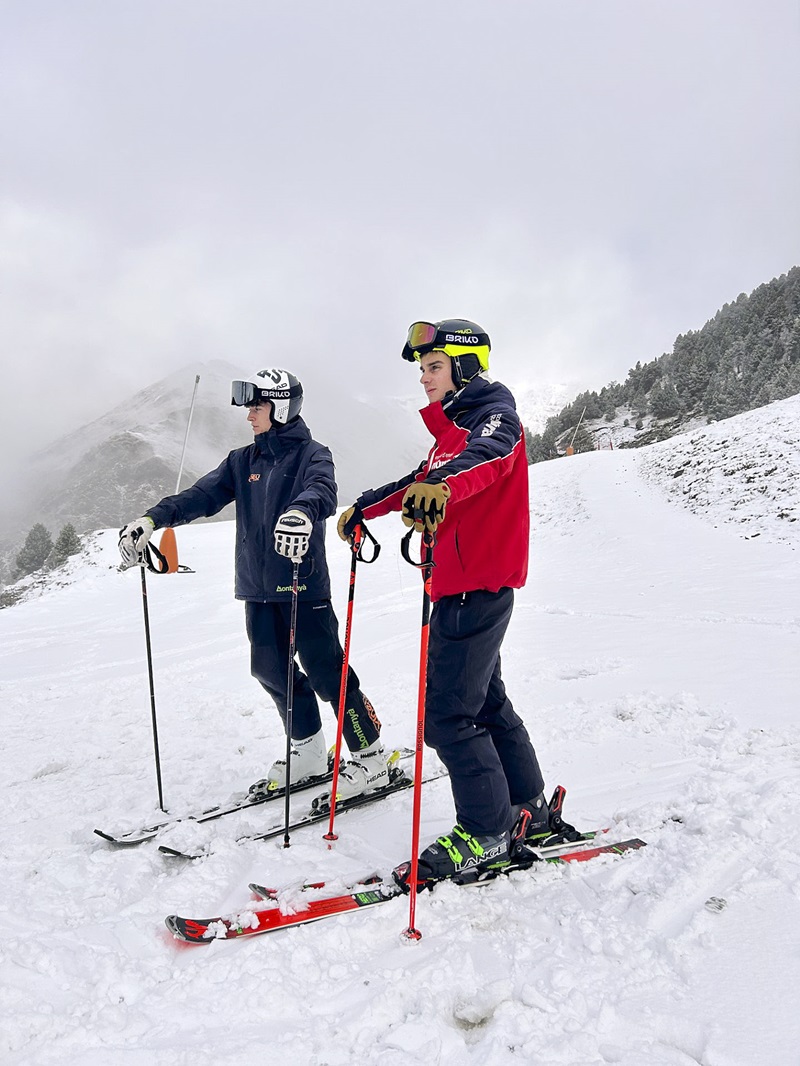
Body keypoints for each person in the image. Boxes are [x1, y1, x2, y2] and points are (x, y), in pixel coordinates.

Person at [338, 320, 567, 883]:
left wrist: (442, 486)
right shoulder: (451, 434)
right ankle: (528, 809)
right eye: (422, 369)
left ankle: (486, 832)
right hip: (463, 586)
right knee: (487, 703)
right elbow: (414, 481)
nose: (423, 378)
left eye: (433, 367)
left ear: (465, 368)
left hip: (475, 586)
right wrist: (365, 508)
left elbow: (489, 457)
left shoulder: (494, 417)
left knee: (448, 716)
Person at [118, 368, 388, 801]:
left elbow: (322, 490)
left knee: (325, 671)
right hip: (257, 587)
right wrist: (152, 519)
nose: (249, 415)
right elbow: (200, 496)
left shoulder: (312, 455)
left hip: (303, 585)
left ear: (280, 407)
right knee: (269, 669)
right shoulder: (242, 461)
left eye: (257, 406)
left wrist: (301, 512)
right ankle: (308, 750)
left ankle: (371, 758)